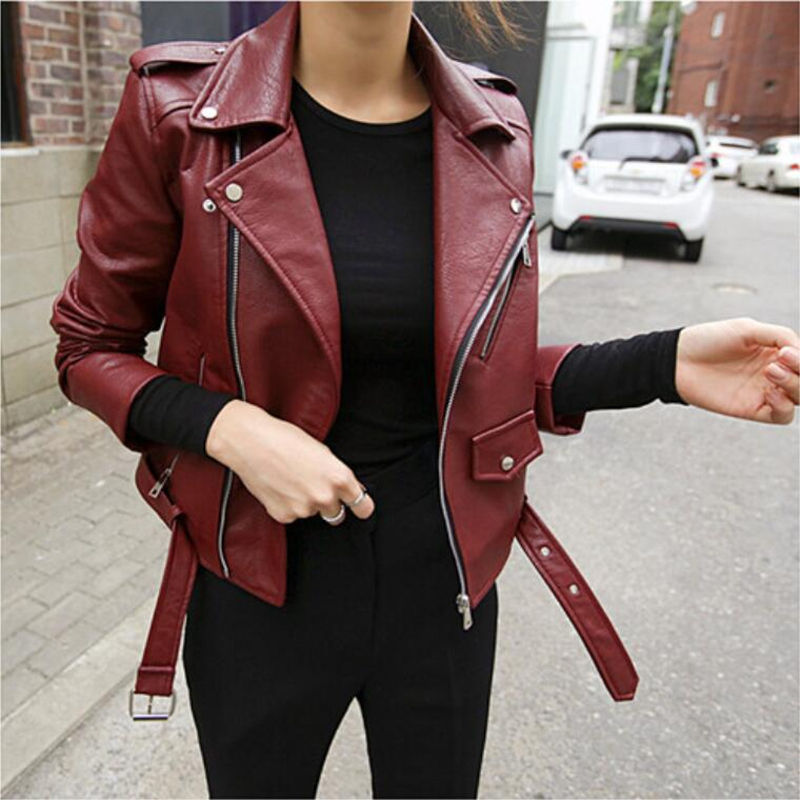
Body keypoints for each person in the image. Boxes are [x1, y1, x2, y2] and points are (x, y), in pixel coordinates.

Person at [49, 2, 799, 798]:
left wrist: (662, 365)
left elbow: (478, 382)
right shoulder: (180, 111)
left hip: (444, 594)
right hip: (259, 592)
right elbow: (88, 346)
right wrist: (229, 428)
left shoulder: (493, 128)